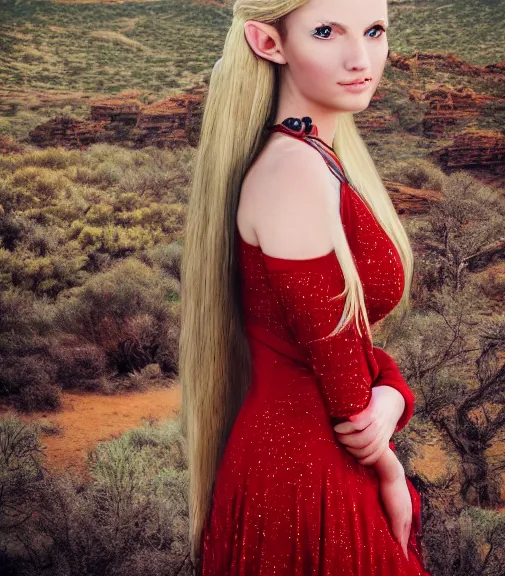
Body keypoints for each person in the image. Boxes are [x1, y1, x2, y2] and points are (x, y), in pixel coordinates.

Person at [179, 0, 432, 574]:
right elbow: (343, 380)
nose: (360, 58)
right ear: (269, 44)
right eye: (326, 32)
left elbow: (334, 340)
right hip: (309, 473)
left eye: (374, 31)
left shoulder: (315, 155)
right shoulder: (294, 169)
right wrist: (391, 469)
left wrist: (392, 392)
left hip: (301, 459)